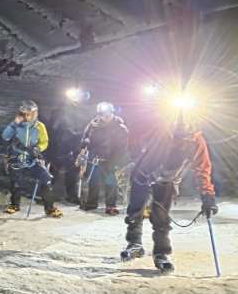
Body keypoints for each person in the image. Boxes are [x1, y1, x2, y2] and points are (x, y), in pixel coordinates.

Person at [121, 117, 217, 274]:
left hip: (167, 179)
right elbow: (136, 137)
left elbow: (203, 169)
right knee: (136, 210)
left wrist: (207, 195)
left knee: (161, 216)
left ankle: (161, 252)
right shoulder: (161, 129)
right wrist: (135, 156)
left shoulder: (196, 141)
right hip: (143, 174)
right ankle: (135, 243)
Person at [1, 100, 62, 217]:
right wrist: (14, 123)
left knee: (46, 179)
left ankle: (49, 208)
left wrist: (38, 148)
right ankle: (14, 204)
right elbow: (5, 136)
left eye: (35, 113)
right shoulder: (16, 125)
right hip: (17, 157)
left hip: (32, 159)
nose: (34, 115)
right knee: (16, 182)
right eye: (31, 113)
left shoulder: (39, 126)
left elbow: (45, 142)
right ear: (24, 114)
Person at [77, 102, 129, 214]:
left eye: (108, 114)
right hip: (95, 158)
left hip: (112, 159)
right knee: (93, 181)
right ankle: (91, 203)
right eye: (103, 114)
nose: (106, 117)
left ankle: (110, 206)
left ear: (112, 113)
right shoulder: (93, 126)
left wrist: (116, 161)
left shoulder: (120, 127)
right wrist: (85, 144)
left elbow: (122, 147)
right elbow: (85, 139)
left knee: (111, 182)